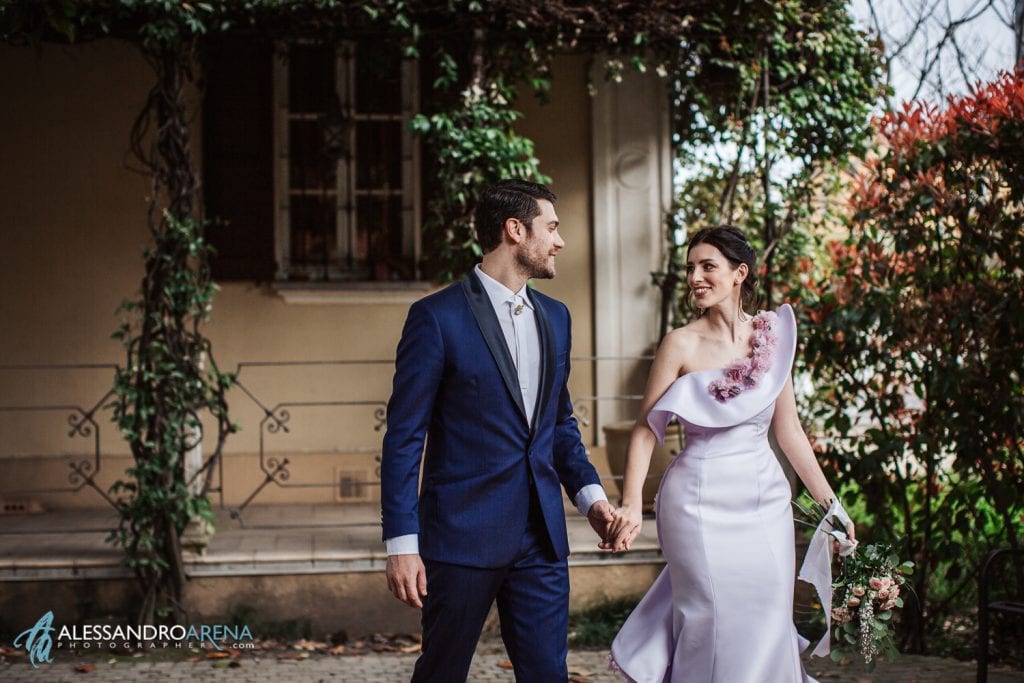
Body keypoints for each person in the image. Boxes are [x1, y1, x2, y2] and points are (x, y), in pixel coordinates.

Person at [380, 179, 615, 682]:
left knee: (548, 675)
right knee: (442, 672)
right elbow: (404, 437)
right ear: (515, 230)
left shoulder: (557, 318)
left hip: (542, 540)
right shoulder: (436, 318)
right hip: (461, 537)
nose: (560, 241)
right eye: (551, 227)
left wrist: (591, 498)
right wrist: (402, 542)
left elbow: (558, 424)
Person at [605, 225, 856, 682]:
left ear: (739, 273)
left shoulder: (772, 336)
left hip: (764, 504)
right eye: (690, 269)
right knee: (712, 621)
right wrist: (630, 503)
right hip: (695, 504)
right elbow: (645, 431)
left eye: (707, 266)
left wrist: (830, 505)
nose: (695, 277)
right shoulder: (679, 343)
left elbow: (790, 431)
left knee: (767, 619)